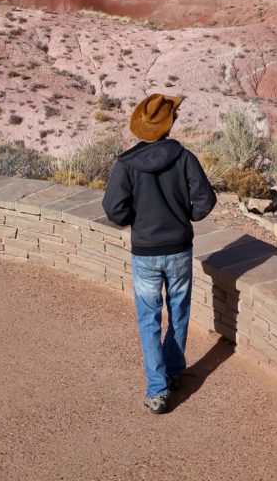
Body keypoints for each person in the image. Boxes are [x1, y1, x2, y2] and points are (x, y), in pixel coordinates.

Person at [102, 93, 217, 415]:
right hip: (179, 249)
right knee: (178, 313)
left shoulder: (126, 164)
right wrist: (187, 217)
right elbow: (205, 200)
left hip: (145, 252)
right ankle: (175, 370)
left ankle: (157, 390)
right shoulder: (184, 158)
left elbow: (113, 208)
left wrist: (135, 222)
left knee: (148, 319)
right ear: (171, 124)